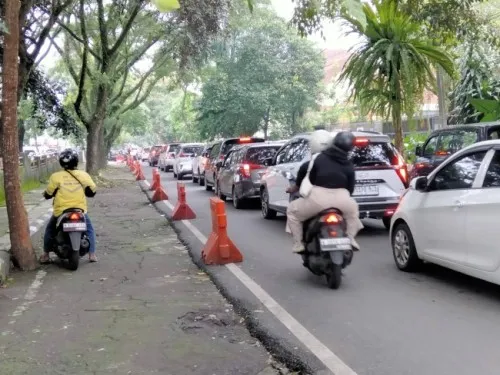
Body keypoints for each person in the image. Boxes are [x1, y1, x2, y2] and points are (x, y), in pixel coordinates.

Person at [286, 130, 364, 253]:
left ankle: (298, 244)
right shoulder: (349, 165)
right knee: (353, 214)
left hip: (318, 199)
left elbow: (311, 179)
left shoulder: (319, 158)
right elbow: (351, 189)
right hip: (343, 199)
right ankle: (350, 238)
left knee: (292, 211)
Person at [40, 149, 98, 263]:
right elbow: (92, 190)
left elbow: (49, 193)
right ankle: (92, 254)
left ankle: (46, 254)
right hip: (80, 210)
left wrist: (46, 195)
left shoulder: (56, 176)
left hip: (61, 211)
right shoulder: (83, 175)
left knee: (50, 229)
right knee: (89, 230)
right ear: (76, 161)